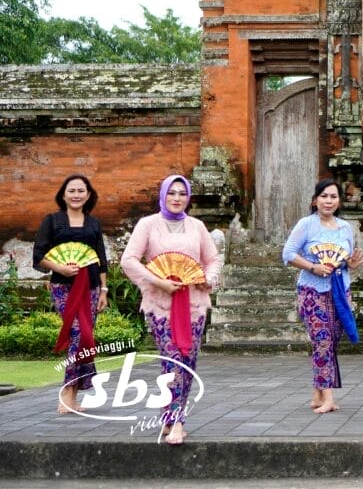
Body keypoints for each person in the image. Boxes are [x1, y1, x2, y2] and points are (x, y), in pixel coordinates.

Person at [120, 175, 222, 445]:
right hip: (161, 305)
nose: (177, 198)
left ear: (188, 197)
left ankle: (170, 417)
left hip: (194, 304)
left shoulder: (197, 226)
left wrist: (207, 279)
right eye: (172, 193)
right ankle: (177, 421)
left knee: (188, 360)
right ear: (163, 195)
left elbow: (212, 260)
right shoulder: (148, 225)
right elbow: (128, 260)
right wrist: (158, 282)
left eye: (182, 193)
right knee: (172, 359)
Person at [282, 179, 363, 414]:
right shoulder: (306, 225)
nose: (328, 201)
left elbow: (345, 261)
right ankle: (328, 397)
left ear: (339, 201)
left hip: (339, 289)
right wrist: (312, 267)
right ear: (315, 200)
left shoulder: (345, 227)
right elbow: (288, 254)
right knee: (322, 340)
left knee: (333, 339)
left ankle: (317, 393)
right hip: (312, 290)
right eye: (324, 196)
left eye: (333, 197)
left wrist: (352, 264)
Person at [33, 174, 109, 414]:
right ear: (63, 194)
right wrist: (61, 268)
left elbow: (101, 259)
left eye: (81, 191)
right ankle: (66, 393)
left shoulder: (93, 223)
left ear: (88, 195)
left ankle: (74, 397)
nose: (76, 195)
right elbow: (39, 256)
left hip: (92, 286)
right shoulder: (52, 221)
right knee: (78, 333)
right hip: (63, 286)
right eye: (72, 190)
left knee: (87, 338)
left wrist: (104, 290)